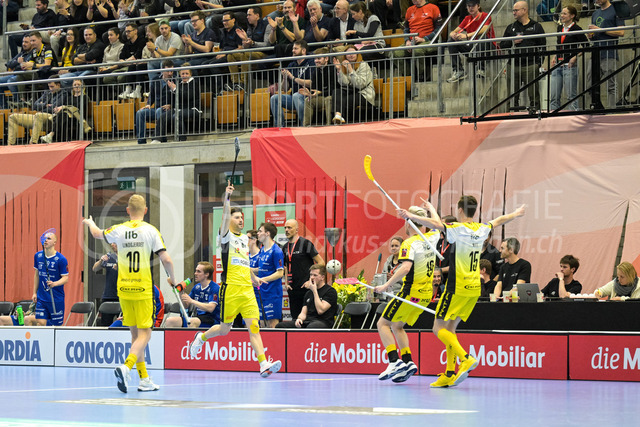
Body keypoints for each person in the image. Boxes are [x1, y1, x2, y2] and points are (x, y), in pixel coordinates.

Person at [398, 196, 525, 387]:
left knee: (438, 328)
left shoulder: (457, 228)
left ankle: (465, 358)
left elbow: (435, 224)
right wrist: (516, 213)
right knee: (450, 330)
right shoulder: (482, 228)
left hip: (456, 287)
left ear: (459, 210)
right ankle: (449, 373)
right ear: (475, 210)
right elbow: (500, 220)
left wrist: (410, 215)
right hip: (474, 288)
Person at [83, 194, 176, 393]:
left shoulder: (119, 229)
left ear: (127, 211)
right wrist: (172, 278)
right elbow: (166, 259)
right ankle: (127, 366)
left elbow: (96, 233)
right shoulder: (151, 230)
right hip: (142, 289)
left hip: (124, 290)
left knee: (135, 335)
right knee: (146, 334)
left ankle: (144, 379)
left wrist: (90, 222)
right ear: (145, 210)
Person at [189, 182, 282, 378]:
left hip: (247, 290)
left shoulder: (245, 241)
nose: (241, 220)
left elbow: (244, 263)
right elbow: (224, 217)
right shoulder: (225, 237)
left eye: (242, 217)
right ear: (229, 219)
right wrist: (227, 197)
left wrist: (254, 278)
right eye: (237, 217)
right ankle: (201, 337)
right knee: (224, 329)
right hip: (230, 289)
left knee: (254, 327)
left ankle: (263, 364)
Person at [374, 206, 440, 383]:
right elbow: (437, 223)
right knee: (397, 325)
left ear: (408, 223)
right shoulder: (433, 237)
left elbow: (405, 268)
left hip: (411, 292)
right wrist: (431, 208)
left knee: (382, 324)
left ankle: (394, 361)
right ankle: (408, 361)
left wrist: (386, 285)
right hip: (426, 295)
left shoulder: (409, 243)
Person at [499, 1, 546, 111]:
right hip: (513, 65)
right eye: (513, 10)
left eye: (516, 10)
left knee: (533, 94)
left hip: (530, 65)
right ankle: (512, 115)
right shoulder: (511, 27)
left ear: (524, 10)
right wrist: (512, 41)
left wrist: (538, 63)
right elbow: (502, 45)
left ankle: (535, 114)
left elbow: (543, 46)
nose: (513, 12)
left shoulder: (536, 27)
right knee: (512, 95)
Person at [7, 76, 69, 145]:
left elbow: (53, 109)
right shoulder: (46, 93)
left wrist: (41, 107)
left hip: (52, 118)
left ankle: (33, 142)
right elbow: (34, 105)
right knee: (12, 117)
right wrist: (45, 105)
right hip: (39, 117)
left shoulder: (63, 94)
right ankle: (10, 145)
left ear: (58, 85)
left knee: (39, 115)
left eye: (52, 86)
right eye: (49, 87)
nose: (50, 89)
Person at [283, 218, 324, 321]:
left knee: (307, 318)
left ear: (297, 230)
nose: (286, 230)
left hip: (306, 288)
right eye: (285, 228)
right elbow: (286, 266)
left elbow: (321, 263)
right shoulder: (285, 247)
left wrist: (311, 280)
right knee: (295, 318)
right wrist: (286, 282)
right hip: (292, 289)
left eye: (289, 228)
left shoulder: (305, 243)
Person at [549, 5, 589, 111]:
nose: (562, 15)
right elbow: (559, 45)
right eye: (561, 13)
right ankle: (553, 115)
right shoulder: (559, 28)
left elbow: (586, 45)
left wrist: (575, 57)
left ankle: (573, 116)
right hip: (558, 64)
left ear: (572, 16)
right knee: (554, 96)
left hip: (569, 66)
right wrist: (555, 56)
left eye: (564, 13)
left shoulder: (577, 29)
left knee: (571, 96)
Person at [587, 0, 624, 108]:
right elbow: (595, 33)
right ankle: (598, 108)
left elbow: (621, 32)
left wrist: (601, 30)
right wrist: (591, 35)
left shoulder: (616, 10)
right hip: (596, 52)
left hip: (609, 52)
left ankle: (612, 110)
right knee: (590, 85)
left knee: (611, 85)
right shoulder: (595, 13)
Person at [392, 0, 442, 81]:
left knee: (417, 50)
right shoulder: (409, 10)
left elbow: (439, 29)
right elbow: (406, 29)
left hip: (429, 41)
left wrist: (424, 39)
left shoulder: (433, 8)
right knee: (395, 53)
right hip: (412, 41)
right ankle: (409, 77)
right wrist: (407, 41)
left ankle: (421, 75)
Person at [275, 264, 338, 329]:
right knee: (280, 326)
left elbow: (320, 310)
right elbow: (303, 313)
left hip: (323, 322)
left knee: (311, 327)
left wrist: (314, 291)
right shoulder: (308, 293)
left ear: (322, 277)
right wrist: (299, 319)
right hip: (308, 321)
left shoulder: (330, 291)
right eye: (311, 275)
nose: (312, 277)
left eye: (315, 275)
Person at [269, 39, 314, 127]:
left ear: (303, 51)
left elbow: (311, 83)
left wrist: (293, 78)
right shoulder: (292, 65)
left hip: (308, 96)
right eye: (293, 48)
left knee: (296, 95)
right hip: (294, 98)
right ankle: (280, 127)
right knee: (274, 98)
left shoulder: (311, 62)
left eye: (296, 49)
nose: (293, 51)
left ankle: (304, 126)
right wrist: (285, 78)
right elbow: (285, 89)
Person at [446, 0, 493, 83]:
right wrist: (452, 34)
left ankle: (481, 68)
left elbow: (485, 29)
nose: (471, 8)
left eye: (473, 6)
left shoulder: (486, 16)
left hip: (487, 47)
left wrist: (467, 35)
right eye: (468, 6)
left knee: (482, 37)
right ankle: (458, 70)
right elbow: (455, 31)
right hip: (473, 47)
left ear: (478, 6)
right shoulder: (467, 18)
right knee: (451, 41)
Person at [226, 6, 270, 92]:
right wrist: (245, 40)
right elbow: (247, 46)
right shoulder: (249, 26)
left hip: (264, 53)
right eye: (247, 15)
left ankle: (243, 83)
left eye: (249, 15)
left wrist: (253, 43)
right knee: (230, 55)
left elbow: (267, 44)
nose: (247, 17)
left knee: (245, 54)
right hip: (251, 52)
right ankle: (235, 83)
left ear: (257, 15)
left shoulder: (266, 25)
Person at [165, 262, 220, 328]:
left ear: (206, 274)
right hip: (198, 317)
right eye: (196, 271)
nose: (195, 273)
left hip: (212, 319)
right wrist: (181, 293)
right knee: (170, 321)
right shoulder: (196, 287)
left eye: (198, 271)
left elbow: (211, 308)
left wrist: (192, 301)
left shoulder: (214, 288)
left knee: (192, 322)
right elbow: (185, 306)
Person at [330, 45, 375, 125]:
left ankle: (342, 123)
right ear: (345, 56)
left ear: (357, 54)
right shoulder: (345, 65)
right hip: (351, 91)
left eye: (353, 53)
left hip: (364, 93)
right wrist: (339, 70)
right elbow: (344, 83)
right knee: (337, 91)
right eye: (348, 53)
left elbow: (360, 84)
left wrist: (351, 70)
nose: (351, 55)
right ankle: (338, 116)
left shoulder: (363, 65)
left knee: (345, 100)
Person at [134, 60, 174, 144]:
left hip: (169, 109)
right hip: (157, 108)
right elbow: (152, 94)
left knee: (159, 111)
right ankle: (141, 141)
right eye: (168, 71)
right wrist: (148, 104)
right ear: (162, 70)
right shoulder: (156, 79)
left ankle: (161, 138)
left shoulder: (175, 80)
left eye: (171, 71)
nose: (170, 73)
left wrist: (171, 105)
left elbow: (179, 96)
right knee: (140, 113)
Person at [33, 230, 68, 326]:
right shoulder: (38, 256)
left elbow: (65, 278)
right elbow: (37, 275)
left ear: (55, 242)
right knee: (40, 322)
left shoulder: (61, 259)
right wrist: (34, 292)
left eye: (49, 238)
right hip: (41, 297)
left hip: (56, 298)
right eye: (45, 238)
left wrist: (54, 284)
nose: (46, 240)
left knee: (56, 326)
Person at [254, 222, 285, 328]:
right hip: (261, 292)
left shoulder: (276, 251)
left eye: (260, 231)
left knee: (272, 324)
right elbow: (260, 269)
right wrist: (247, 269)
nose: (258, 233)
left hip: (272, 293)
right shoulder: (262, 250)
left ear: (267, 233)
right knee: (262, 324)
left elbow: (280, 273)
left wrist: (262, 279)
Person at [164, 63, 202, 142]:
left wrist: (175, 89)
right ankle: (158, 138)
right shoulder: (179, 84)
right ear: (180, 75)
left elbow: (188, 96)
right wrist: (172, 91)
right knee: (164, 115)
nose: (184, 76)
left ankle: (182, 138)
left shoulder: (194, 83)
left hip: (193, 108)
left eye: (186, 73)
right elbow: (175, 98)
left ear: (190, 74)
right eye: (183, 74)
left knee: (177, 115)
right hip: (180, 109)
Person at [299, 47, 336, 126]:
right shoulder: (316, 71)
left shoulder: (333, 69)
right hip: (321, 97)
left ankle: (329, 125)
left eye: (319, 58)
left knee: (328, 99)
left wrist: (320, 92)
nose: (316, 61)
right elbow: (314, 88)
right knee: (307, 100)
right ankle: (306, 126)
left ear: (326, 59)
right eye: (315, 59)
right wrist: (310, 93)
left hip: (332, 96)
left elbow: (334, 89)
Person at [116, 22, 147, 99]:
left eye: (129, 31)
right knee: (132, 65)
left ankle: (137, 91)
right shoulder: (127, 44)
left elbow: (137, 56)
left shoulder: (142, 41)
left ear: (135, 31)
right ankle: (127, 91)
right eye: (126, 32)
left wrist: (125, 62)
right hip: (129, 65)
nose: (127, 34)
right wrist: (127, 61)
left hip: (140, 64)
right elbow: (120, 58)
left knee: (133, 66)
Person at [92, 242, 119, 326]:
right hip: (108, 296)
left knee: (124, 325)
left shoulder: (127, 258)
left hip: (123, 296)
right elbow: (95, 269)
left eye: (114, 243)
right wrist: (101, 260)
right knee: (105, 325)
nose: (112, 245)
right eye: (112, 243)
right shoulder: (109, 256)